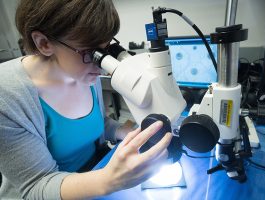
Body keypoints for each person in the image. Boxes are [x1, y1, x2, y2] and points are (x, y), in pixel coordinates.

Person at [0, 0, 172, 199]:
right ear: (44, 43)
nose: (102, 66)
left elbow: (95, 122)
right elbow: (36, 187)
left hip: (95, 175)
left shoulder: (83, 72)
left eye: (106, 49)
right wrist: (110, 179)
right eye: (91, 53)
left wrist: (122, 131)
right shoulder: (7, 96)